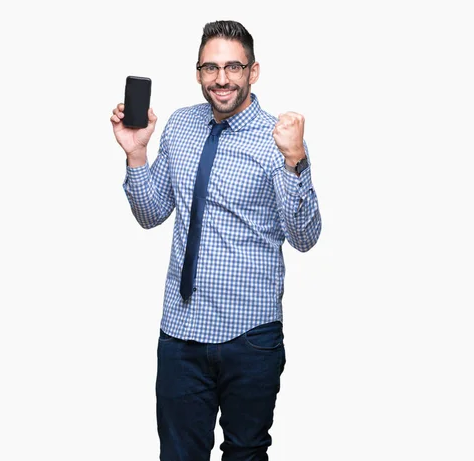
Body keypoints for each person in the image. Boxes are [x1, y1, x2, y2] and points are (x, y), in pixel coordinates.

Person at [110, 19, 322, 461]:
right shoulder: (181, 125)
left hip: (250, 337)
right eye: (211, 68)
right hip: (181, 334)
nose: (221, 79)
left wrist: (296, 160)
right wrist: (136, 153)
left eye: (233, 67)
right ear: (198, 73)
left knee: (245, 454)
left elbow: (305, 238)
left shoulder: (279, 138)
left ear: (253, 72)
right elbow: (152, 214)